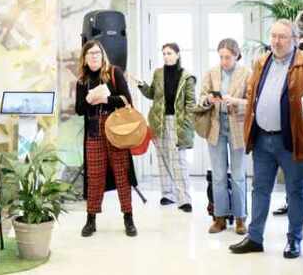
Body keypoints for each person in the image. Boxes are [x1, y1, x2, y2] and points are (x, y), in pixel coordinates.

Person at [230, 19, 303, 259]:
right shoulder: (262, 62)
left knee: (296, 191)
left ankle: (294, 241)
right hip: (262, 138)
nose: (276, 41)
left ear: (294, 40)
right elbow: (252, 93)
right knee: (259, 189)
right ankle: (254, 238)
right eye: (273, 36)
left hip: (292, 140)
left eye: (282, 37)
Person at [75, 40, 139, 237]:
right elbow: (79, 109)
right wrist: (88, 100)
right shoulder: (82, 81)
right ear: (85, 58)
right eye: (90, 54)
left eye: (97, 53)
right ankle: (91, 220)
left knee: (122, 175)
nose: (94, 56)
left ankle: (128, 218)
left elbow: (127, 100)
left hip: (116, 131)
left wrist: (105, 99)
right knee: (94, 177)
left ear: (102, 55)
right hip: (94, 133)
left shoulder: (114, 72)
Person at [134, 42, 196, 213]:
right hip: (158, 121)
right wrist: (141, 85)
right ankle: (168, 194)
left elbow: (191, 104)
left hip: (177, 122)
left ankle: (184, 199)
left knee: (179, 161)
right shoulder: (158, 73)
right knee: (163, 160)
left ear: (177, 54)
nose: (166, 56)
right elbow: (152, 94)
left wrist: (187, 125)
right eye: (164, 53)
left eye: (169, 53)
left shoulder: (187, 77)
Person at [198, 38, 251, 235]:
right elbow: (201, 98)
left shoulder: (247, 73)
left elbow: (252, 102)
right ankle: (219, 218)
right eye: (221, 57)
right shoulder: (212, 72)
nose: (224, 61)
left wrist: (235, 101)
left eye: (227, 57)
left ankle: (240, 218)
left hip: (237, 127)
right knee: (218, 175)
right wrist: (208, 99)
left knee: (238, 176)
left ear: (236, 56)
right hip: (216, 128)